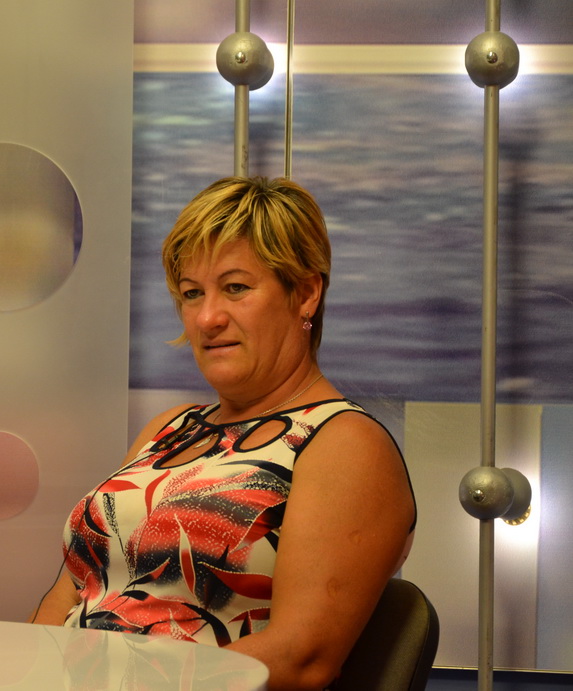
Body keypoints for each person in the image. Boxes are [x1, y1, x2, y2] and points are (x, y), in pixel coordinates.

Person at [30, 176, 416, 691]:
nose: (208, 317)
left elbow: (301, 657)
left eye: (236, 288)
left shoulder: (342, 443)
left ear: (305, 293)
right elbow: (69, 594)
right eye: (192, 293)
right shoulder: (169, 428)